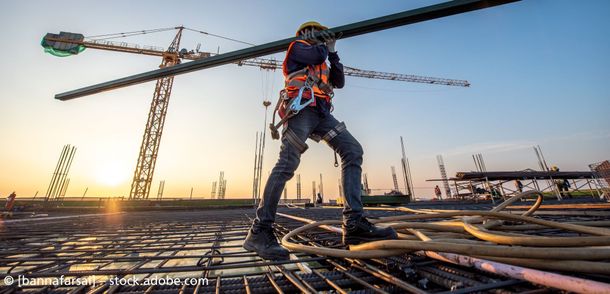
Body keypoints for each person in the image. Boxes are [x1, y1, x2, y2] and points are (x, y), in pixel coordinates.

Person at [243, 21, 397, 260]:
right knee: (286, 165)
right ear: (305, 33)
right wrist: (325, 45)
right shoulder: (298, 47)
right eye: (315, 32)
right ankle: (259, 231)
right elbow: (316, 53)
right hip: (301, 110)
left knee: (352, 150)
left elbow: (340, 81)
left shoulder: (323, 57)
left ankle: (354, 224)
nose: (319, 37)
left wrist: (334, 52)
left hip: (322, 114)